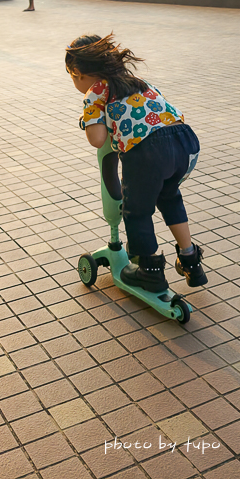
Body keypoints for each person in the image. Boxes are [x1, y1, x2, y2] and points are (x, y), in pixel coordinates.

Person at [65, 34, 207, 291]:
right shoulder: (136, 82)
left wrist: (89, 117)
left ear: (77, 72)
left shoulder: (95, 91)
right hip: (185, 143)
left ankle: (149, 271)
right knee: (169, 196)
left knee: (136, 211)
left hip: (149, 153)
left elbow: (97, 139)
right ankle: (190, 259)